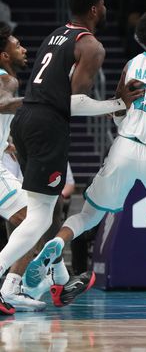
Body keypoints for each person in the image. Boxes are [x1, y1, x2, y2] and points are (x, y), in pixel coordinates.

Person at [24, 8, 146, 311]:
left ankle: (58, 243)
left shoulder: (131, 64)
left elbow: (119, 108)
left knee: (90, 215)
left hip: (124, 146)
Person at [0, 0, 143, 315]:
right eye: (104, 3)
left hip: (24, 122)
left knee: (42, 211)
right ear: (94, 9)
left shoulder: (56, 35)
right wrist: (117, 103)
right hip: (48, 126)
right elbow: (73, 103)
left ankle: (53, 283)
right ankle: (8, 280)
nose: (106, 8)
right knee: (38, 217)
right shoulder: (91, 46)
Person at [0, 25, 50, 311]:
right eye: (17, 45)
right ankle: (10, 286)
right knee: (36, 219)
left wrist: (7, 142)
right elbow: (3, 104)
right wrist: (39, 101)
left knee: (34, 222)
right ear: (4, 55)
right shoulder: (8, 80)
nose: (23, 49)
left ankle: (11, 286)